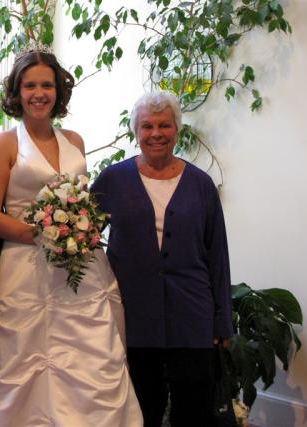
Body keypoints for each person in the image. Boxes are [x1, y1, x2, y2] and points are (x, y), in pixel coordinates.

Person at [0, 46, 143, 426]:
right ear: (16, 92)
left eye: (46, 85)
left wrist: (76, 233)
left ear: (58, 91)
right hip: (25, 270)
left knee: (89, 362)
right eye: (29, 85)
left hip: (80, 269)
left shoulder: (75, 141)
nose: (39, 93)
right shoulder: (4, 145)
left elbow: (82, 202)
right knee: (26, 369)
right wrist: (45, 235)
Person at [91, 90, 233, 427]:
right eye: (147, 126)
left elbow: (218, 255)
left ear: (177, 130)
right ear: (136, 132)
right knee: (142, 408)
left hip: (192, 316)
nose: (156, 133)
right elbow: (80, 233)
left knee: (193, 409)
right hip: (134, 316)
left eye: (165, 125)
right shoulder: (113, 180)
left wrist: (221, 320)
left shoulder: (201, 185)